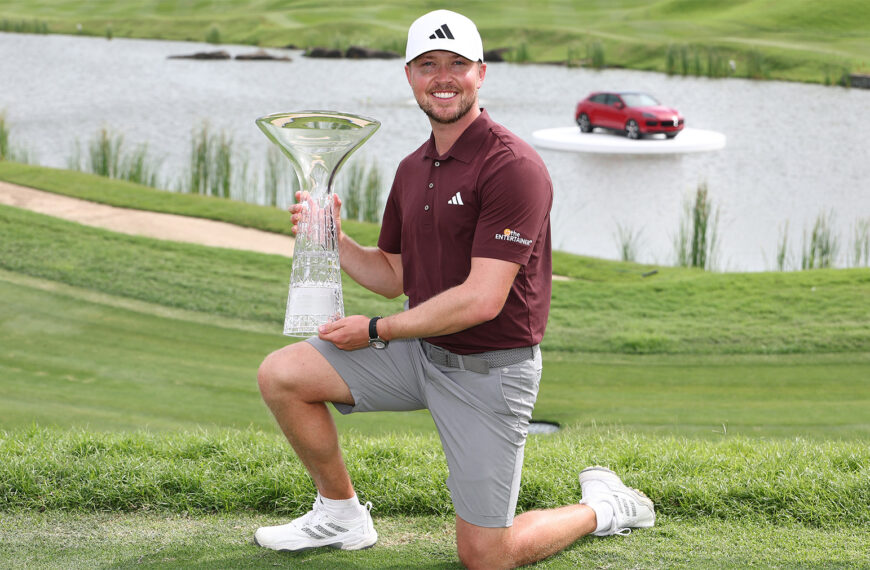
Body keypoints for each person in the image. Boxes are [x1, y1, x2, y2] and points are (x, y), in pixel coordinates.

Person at [254, 9, 654, 568]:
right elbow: (393, 275)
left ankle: (604, 506)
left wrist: (374, 330)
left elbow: (481, 299)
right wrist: (332, 240)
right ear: (410, 76)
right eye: (428, 65)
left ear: (481, 74)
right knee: (282, 374)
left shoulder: (513, 167)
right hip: (422, 353)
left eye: (457, 65)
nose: (443, 77)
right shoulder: (412, 167)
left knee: (486, 557)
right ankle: (341, 515)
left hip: (490, 372)